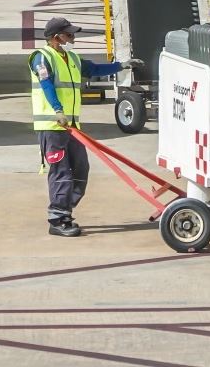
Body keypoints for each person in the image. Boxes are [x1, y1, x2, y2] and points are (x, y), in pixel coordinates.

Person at [30, 17, 143, 236]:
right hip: (53, 126)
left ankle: (64, 210)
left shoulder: (71, 58)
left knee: (81, 169)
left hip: (71, 126)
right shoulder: (41, 58)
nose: (73, 38)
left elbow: (93, 69)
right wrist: (57, 110)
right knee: (61, 172)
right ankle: (57, 219)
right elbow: (46, 84)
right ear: (56, 37)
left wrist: (122, 65)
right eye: (69, 34)